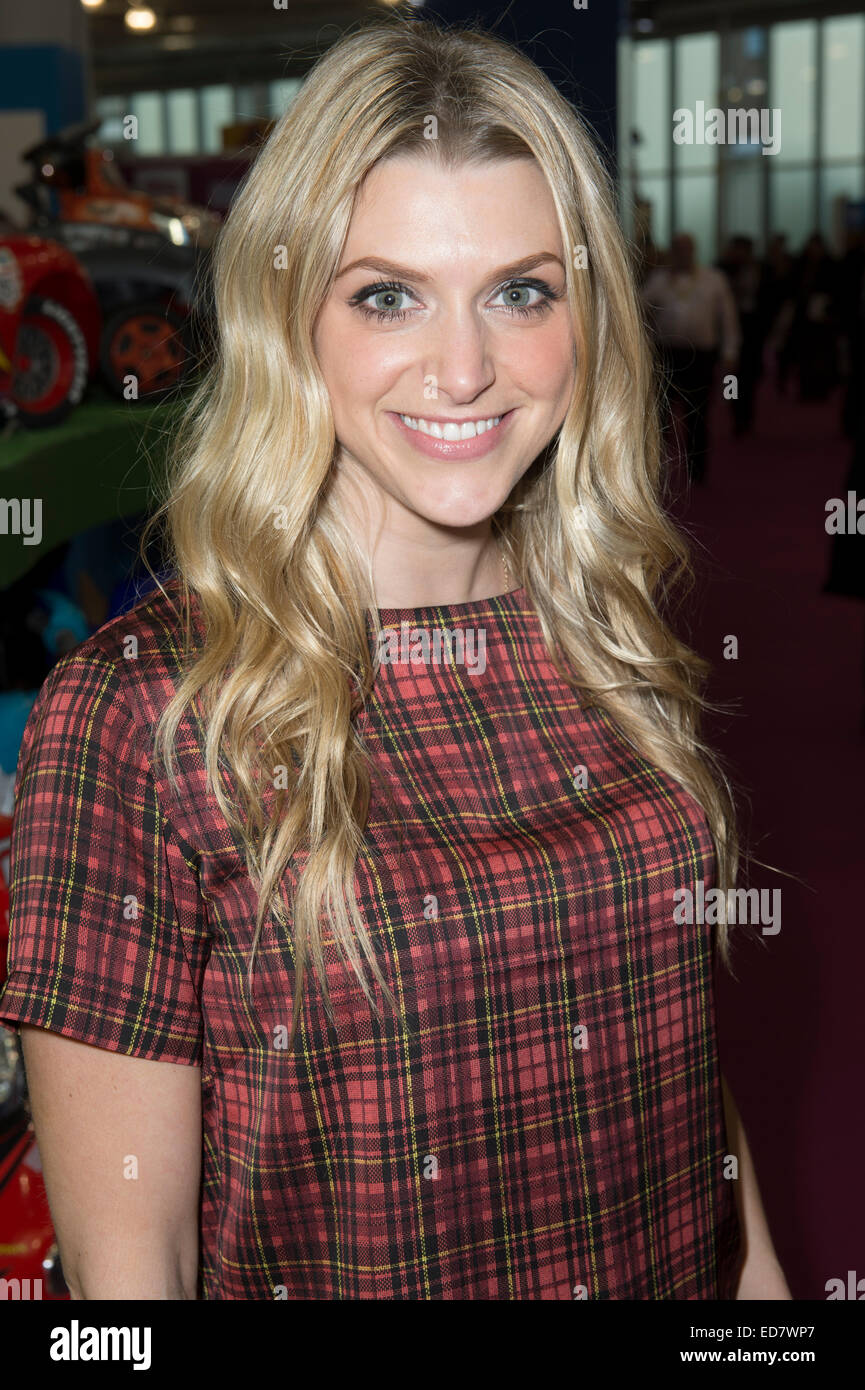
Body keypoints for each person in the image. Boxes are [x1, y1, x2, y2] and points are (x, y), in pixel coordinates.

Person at [0, 16, 790, 1301]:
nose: (467, 367)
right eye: (386, 295)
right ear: (284, 311)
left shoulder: (612, 640)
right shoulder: (144, 715)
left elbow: (684, 1078)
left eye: (521, 291)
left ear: (583, 314)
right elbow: (126, 1266)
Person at [642, 232, 740, 484]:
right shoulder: (659, 280)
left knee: (698, 415)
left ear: (694, 250)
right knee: (660, 416)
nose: (682, 253)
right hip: (667, 354)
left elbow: (727, 319)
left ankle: (697, 470)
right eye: (677, 248)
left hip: (701, 356)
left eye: (686, 248)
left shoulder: (713, 279)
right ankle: (658, 469)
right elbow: (639, 311)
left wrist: (730, 352)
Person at [717, 235, 774, 436]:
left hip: (753, 328)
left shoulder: (762, 270)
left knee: (750, 375)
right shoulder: (723, 270)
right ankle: (732, 406)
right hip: (731, 326)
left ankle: (745, 414)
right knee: (732, 374)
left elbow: (771, 298)